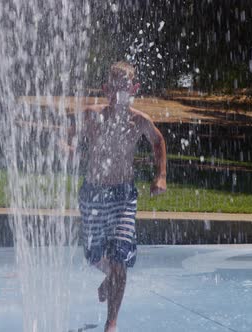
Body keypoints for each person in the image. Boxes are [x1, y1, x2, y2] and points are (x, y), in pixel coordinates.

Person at [72, 61, 167, 332]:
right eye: (113, 89)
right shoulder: (92, 115)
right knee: (94, 255)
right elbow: (69, 132)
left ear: (134, 89)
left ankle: (111, 323)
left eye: (124, 88)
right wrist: (67, 144)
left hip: (123, 196)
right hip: (93, 195)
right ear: (105, 90)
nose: (118, 94)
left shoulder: (139, 120)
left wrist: (161, 175)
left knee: (120, 257)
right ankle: (111, 275)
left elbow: (158, 142)